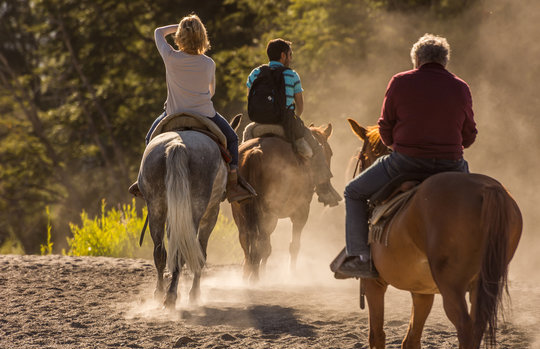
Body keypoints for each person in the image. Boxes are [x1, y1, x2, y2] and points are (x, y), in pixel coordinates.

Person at [335, 33, 477, 278]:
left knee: (353, 192)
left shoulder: (400, 81)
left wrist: (396, 146)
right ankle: (477, 256)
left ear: (416, 60)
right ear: (445, 61)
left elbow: (385, 128)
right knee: (475, 204)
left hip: (406, 163)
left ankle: (359, 257)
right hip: (451, 166)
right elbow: (469, 136)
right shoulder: (461, 86)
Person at [128, 14, 252, 203]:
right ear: (203, 37)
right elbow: (211, 92)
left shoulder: (170, 57)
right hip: (205, 115)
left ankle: (144, 181)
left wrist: (180, 26)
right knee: (233, 139)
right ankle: (234, 184)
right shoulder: (209, 63)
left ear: (179, 36)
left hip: (173, 113)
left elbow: (158, 32)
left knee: (149, 139)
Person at [246, 38, 342, 207]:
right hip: (286, 123)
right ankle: (324, 189)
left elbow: (250, 99)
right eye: (290, 54)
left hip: (258, 124)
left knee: (244, 146)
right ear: (283, 55)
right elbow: (300, 107)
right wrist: (293, 118)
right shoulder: (291, 75)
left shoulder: (255, 73)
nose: (291, 58)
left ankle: (238, 182)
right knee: (317, 149)